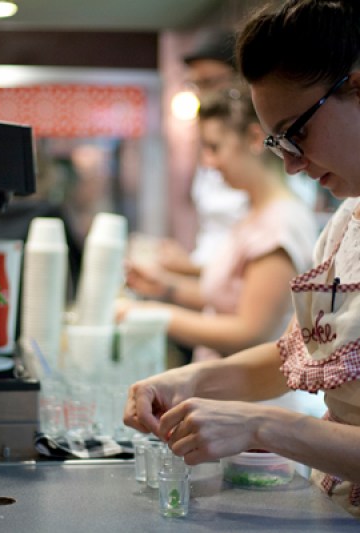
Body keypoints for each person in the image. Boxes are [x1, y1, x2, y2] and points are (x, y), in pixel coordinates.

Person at [124, 0, 360, 518]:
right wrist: (190, 382)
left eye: (297, 132)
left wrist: (263, 426)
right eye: (278, 143)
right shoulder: (344, 227)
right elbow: (298, 355)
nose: (293, 165)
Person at [118, 89, 317, 365]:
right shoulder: (255, 212)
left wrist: (145, 314)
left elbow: (250, 331)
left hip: (255, 398)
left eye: (214, 147)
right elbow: (230, 299)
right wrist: (165, 287)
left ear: (253, 139)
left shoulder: (280, 225)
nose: (208, 162)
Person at [157, 29, 248, 276]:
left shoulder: (257, 147)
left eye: (209, 81)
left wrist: (186, 269)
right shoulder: (204, 148)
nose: (201, 93)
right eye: (194, 84)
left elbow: (257, 256)